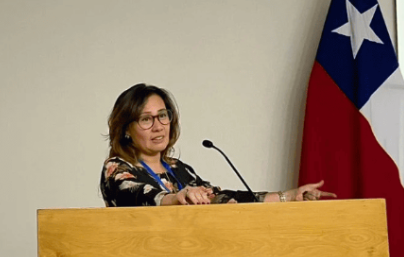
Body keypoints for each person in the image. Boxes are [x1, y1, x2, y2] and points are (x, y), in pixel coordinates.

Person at [100, 83, 335, 207]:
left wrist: (288, 196)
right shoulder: (117, 168)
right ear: (126, 129)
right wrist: (178, 197)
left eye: (162, 115)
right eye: (145, 119)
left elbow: (221, 198)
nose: (158, 126)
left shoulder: (178, 169)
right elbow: (143, 196)